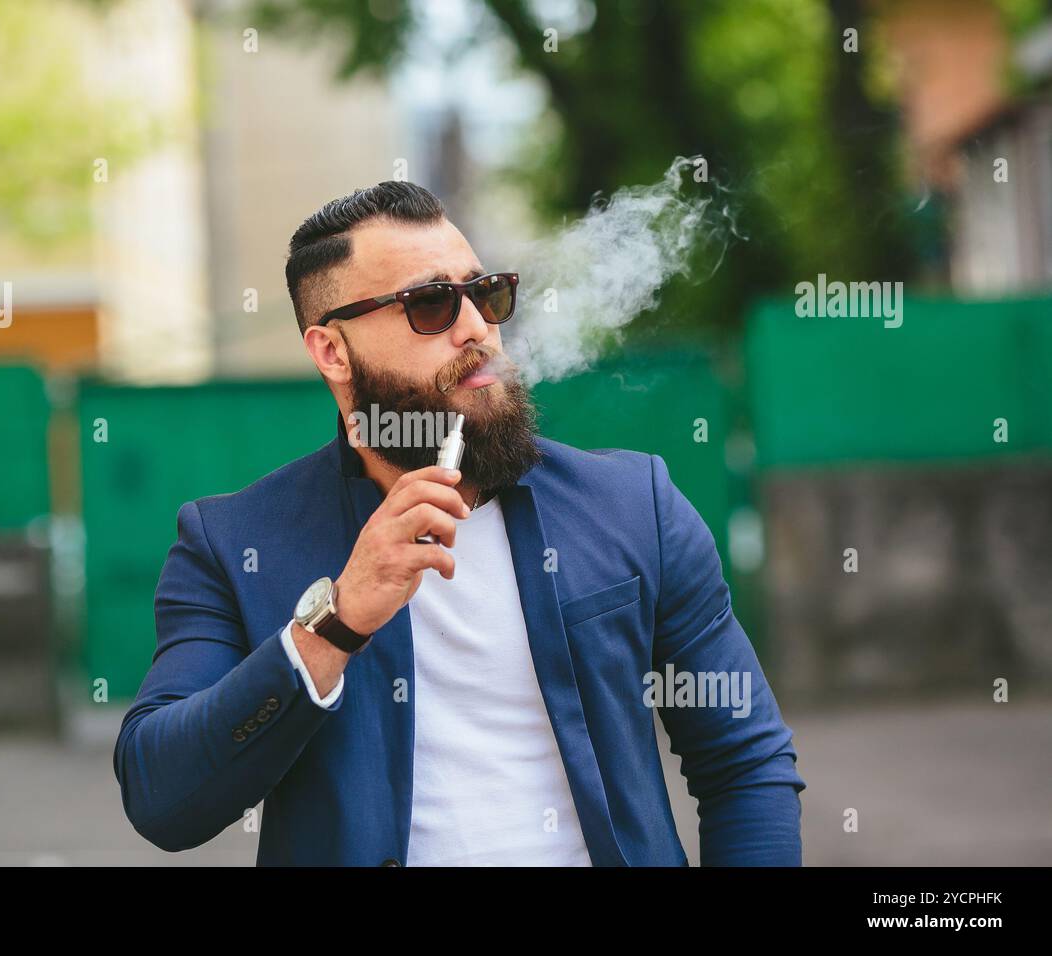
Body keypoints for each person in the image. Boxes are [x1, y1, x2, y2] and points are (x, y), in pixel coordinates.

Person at [113, 180, 806, 866]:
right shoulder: (234, 543)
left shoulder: (632, 505)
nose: (476, 326)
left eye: (487, 293)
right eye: (431, 303)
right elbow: (163, 800)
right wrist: (337, 620)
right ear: (332, 352)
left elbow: (745, 762)